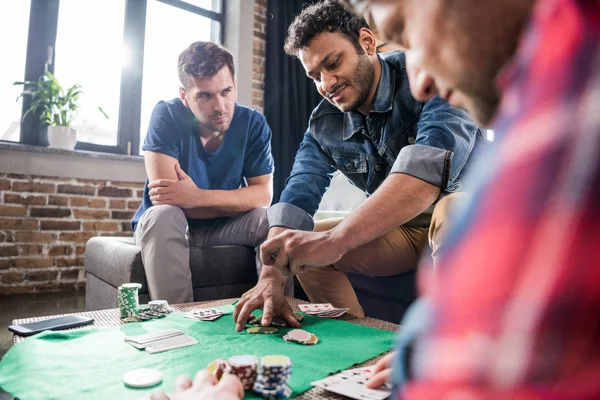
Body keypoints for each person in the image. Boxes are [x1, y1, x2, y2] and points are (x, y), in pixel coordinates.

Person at [341, 0, 600, 398]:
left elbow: (425, 172)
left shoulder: (577, 68)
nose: (420, 82)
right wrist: (425, 344)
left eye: (405, 30)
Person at [234, 1, 485, 331]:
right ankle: (356, 345)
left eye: (333, 63)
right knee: (301, 246)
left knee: (451, 211)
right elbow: (297, 194)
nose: (327, 83)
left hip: (474, 215)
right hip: (404, 231)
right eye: (315, 76)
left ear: (367, 42)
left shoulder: (425, 75)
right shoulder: (323, 123)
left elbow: (424, 176)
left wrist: (336, 241)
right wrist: (271, 273)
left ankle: (445, 349)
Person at [131, 41, 274, 304]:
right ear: (185, 96)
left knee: (270, 218)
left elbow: (263, 194)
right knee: (163, 214)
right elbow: (167, 199)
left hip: (224, 228)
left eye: (226, 91)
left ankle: (275, 315)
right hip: (171, 225)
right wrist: (233, 201)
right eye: (205, 96)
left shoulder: (253, 123)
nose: (220, 106)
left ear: (234, 85)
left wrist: (195, 197)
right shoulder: (167, 115)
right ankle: (177, 325)